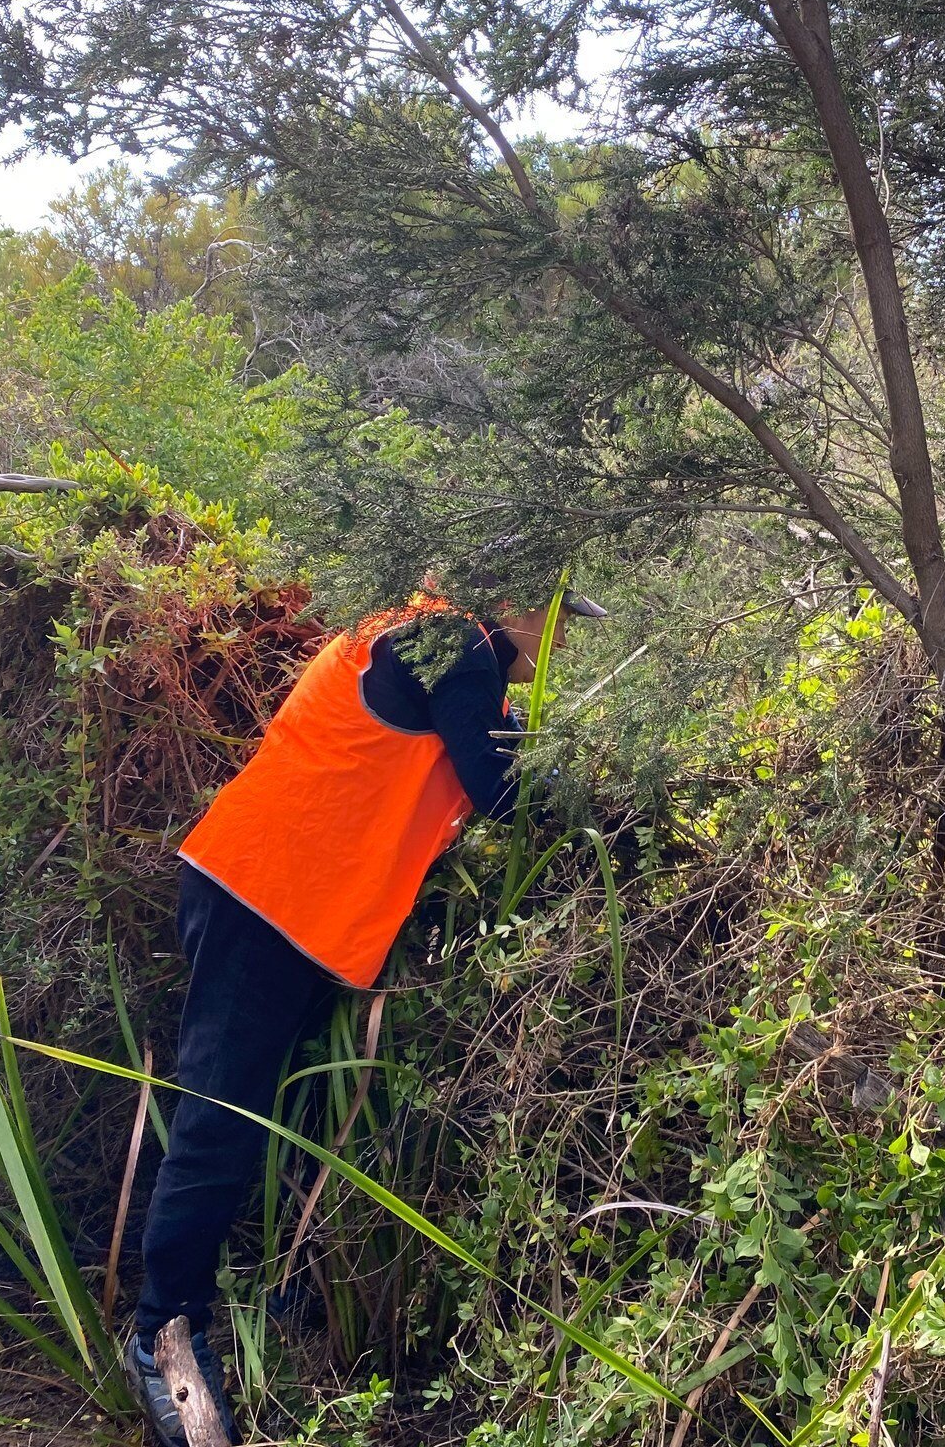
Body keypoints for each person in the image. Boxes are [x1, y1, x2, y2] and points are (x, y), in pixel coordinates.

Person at [123, 585, 606, 1447]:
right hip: (262, 900)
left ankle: (264, 1290)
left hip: (290, 909)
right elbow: (504, 792)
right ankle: (163, 1332)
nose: (563, 645)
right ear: (515, 600)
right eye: (562, 622)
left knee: (258, 1113)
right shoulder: (449, 642)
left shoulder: (427, 632)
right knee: (219, 1120)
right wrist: (620, 813)